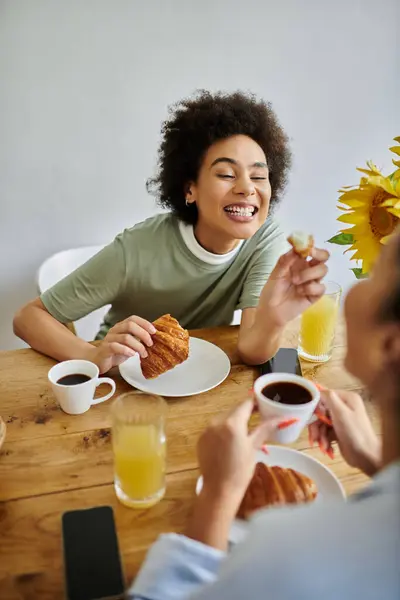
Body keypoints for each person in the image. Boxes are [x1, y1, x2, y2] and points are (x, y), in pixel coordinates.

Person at [128, 229, 400, 599]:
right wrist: (376, 462)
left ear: (391, 344)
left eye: (374, 271)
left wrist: (218, 494)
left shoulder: (292, 555)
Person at [13, 91, 328, 372]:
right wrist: (91, 357)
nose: (247, 188)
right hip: (123, 376)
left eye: (259, 177)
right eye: (226, 174)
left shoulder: (266, 238)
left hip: (200, 377)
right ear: (190, 189)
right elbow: (28, 318)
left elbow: (249, 349)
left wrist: (273, 321)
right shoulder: (136, 249)